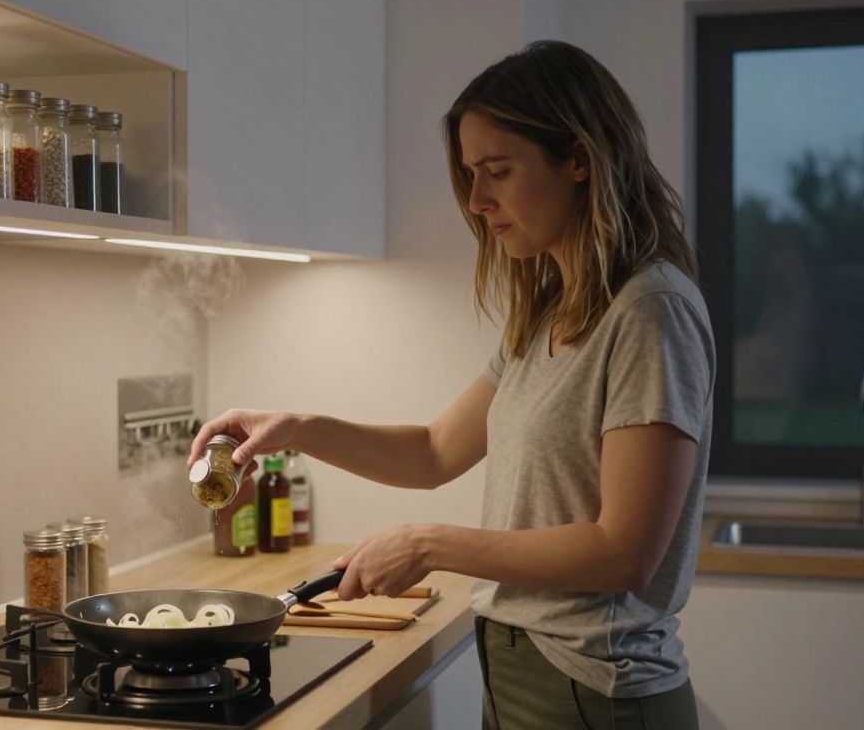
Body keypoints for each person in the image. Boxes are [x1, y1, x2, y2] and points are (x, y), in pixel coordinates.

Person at [188, 40, 712, 729]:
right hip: (527, 674)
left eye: (498, 170)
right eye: (469, 173)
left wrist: (428, 545)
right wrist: (297, 428)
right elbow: (435, 450)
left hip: (595, 693)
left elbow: (625, 552)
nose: (476, 199)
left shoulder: (649, 311)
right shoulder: (556, 309)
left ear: (580, 158)